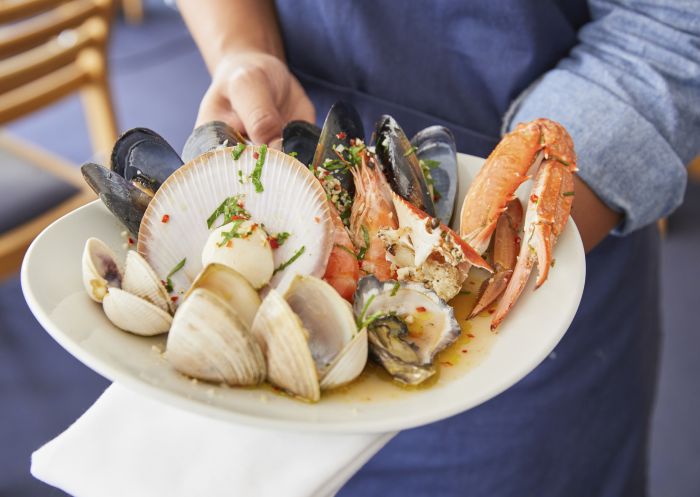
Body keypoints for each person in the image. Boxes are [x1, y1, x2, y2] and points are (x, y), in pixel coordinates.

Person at [177, 1, 699, 495]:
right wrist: (244, 51)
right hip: (284, 238)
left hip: (525, 325)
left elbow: (670, 28)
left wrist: (497, 242)